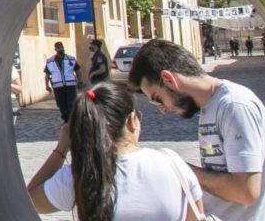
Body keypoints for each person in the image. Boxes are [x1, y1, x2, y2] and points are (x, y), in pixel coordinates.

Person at [129, 39, 265, 221]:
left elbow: (246, 192)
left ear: (169, 79)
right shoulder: (211, 106)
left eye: (157, 99)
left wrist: (178, 168)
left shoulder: (234, 105)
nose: (163, 109)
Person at [27, 82, 208, 221]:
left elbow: (30, 199)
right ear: (131, 121)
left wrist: (61, 149)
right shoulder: (173, 163)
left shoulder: (78, 176)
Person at [44, 41, 82, 122]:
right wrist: (47, 85)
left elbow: (78, 70)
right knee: (61, 105)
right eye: (58, 47)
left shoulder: (71, 59)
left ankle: (71, 121)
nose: (60, 49)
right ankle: (66, 118)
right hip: (58, 87)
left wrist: (80, 81)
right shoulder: (50, 61)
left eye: (61, 47)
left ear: (63, 48)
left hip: (70, 85)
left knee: (71, 104)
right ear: (55, 49)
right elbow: (47, 74)